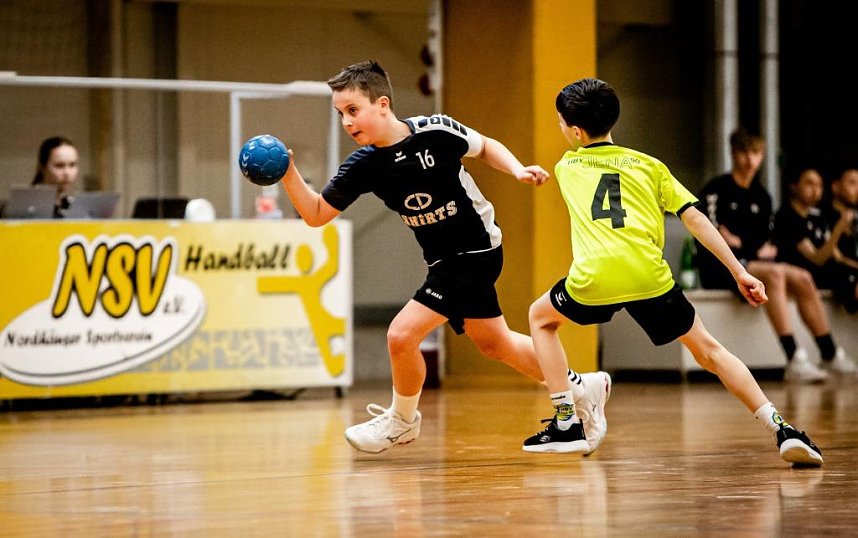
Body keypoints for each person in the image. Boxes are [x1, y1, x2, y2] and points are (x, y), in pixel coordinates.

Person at [277, 61, 611, 454]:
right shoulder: (364, 165)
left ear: (382, 104)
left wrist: (518, 170)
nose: (347, 122)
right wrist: (288, 173)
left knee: (401, 335)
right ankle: (581, 386)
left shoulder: (434, 130)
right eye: (341, 114)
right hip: (442, 261)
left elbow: (485, 146)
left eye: (353, 110)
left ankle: (402, 420)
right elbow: (317, 214)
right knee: (494, 343)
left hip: (476, 249)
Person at [522, 77, 822, 467]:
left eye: (561, 122)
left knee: (540, 318)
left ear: (575, 131)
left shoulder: (567, 166)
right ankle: (781, 428)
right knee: (711, 352)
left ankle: (566, 420)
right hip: (650, 278)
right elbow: (695, 218)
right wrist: (739, 271)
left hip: (594, 278)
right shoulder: (651, 166)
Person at [696, 128, 852, 382]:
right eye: (744, 152)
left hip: (753, 265)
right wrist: (746, 248)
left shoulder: (762, 196)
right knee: (776, 272)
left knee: (802, 276)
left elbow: (768, 247)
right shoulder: (716, 190)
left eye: (756, 153)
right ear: (733, 153)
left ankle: (830, 352)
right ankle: (794, 358)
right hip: (721, 268)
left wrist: (741, 243)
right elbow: (712, 237)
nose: (750, 160)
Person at [774, 167, 858, 322]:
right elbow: (817, 258)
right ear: (794, 186)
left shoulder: (818, 217)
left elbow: (837, 257)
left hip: (830, 272)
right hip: (807, 276)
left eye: (819, 185)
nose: (815, 190)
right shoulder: (787, 216)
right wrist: (838, 229)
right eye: (809, 184)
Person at [821, 167, 858, 313]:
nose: (857, 189)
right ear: (836, 187)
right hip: (837, 273)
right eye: (852, 183)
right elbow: (837, 257)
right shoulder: (824, 216)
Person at [31, 136, 79, 218]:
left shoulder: (73, 206)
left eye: (72, 165)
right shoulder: (26, 207)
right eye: (59, 166)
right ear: (42, 167)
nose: (67, 173)